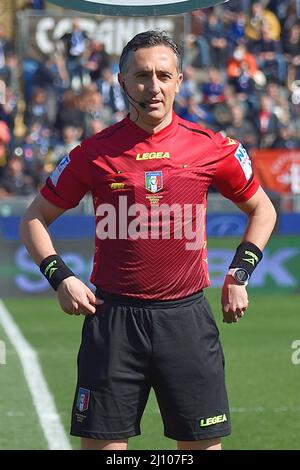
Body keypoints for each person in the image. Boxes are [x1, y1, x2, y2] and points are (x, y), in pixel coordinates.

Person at [20, 30, 277, 451]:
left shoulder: (214, 147)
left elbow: (263, 209)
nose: (153, 87)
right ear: (122, 82)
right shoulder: (93, 153)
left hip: (188, 321)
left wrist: (240, 272)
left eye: (163, 75)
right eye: (142, 76)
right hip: (114, 321)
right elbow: (34, 217)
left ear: (179, 80)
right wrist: (60, 277)